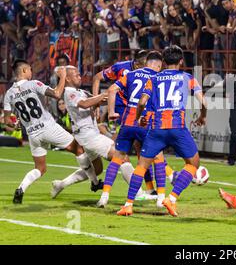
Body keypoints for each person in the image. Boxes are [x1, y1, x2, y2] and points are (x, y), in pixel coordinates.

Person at [116, 45, 208, 217]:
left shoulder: (154, 78)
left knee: (142, 166)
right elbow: (203, 102)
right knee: (193, 164)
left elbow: (142, 102)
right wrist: (202, 116)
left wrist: (138, 117)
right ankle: (171, 198)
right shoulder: (187, 77)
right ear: (181, 61)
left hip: (157, 129)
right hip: (177, 128)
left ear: (164, 62)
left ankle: (128, 205)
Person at [3, 60, 101, 204]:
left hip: (32, 134)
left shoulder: (9, 94)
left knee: (40, 168)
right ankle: (94, 182)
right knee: (79, 150)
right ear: (24, 71)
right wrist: (62, 77)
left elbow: (7, 121)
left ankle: (21, 189)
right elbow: (56, 93)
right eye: (30, 69)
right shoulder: (34, 84)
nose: (31, 72)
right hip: (47, 127)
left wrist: (16, 124)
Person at [97, 51, 164, 207]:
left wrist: (112, 111)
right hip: (144, 122)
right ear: (158, 65)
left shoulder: (132, 74)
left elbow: (112, 89)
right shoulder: (157, 78)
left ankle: (104, 196)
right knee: (158, 157)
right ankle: (160, 198)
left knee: (117, 158)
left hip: (127, 122)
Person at [52, 66, 115, 198]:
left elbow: (97, 100)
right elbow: (85, 104)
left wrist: (113, 97)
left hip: (89, 134)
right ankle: (138, 193)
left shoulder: (80, 91)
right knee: (119, 156)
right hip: (89, 135)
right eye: (76, 75)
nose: (80, 76)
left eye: (80, 74)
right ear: (67, 78)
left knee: (97, 170)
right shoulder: (69, 92)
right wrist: (103, 95)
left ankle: (61, 184)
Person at [92, 50, 148, 125]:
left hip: (138, 108)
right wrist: (96, 105)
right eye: (146, 66)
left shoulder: (151, 71)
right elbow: (97, 78)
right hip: (121, 107)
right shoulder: (120, 67)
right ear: (137, 65)